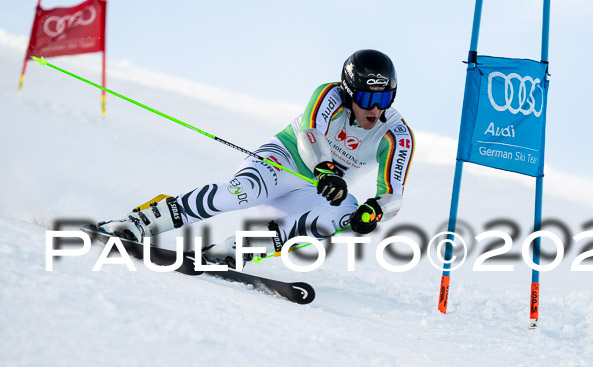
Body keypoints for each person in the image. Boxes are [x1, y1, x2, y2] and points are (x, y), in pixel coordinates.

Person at [98, 49, 415, 268]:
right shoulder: (329, 95)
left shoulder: (396, 134)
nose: (376, 109)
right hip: (283, 161)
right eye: (367, 98)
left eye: (385, 98)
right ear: (349, 91)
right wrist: (325, 169)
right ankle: (139, 223)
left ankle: (236, 250)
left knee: (347, 214)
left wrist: (375, 211)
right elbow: (310, 133)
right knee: (241, 192)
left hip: (316, 190)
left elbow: (393, 195)